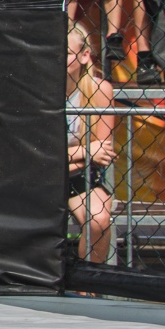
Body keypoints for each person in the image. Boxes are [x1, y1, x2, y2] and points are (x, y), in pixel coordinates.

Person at [66, 26, 116, 263]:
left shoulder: (99, 89)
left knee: (99, 218)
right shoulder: (36, 92)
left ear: (84, 55)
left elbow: (103, 153)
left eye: (66, 53)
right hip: (39, 177)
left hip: (79, 177)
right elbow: (34, 155)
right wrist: (85, 151)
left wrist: (59, 157)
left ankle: (89, 280)